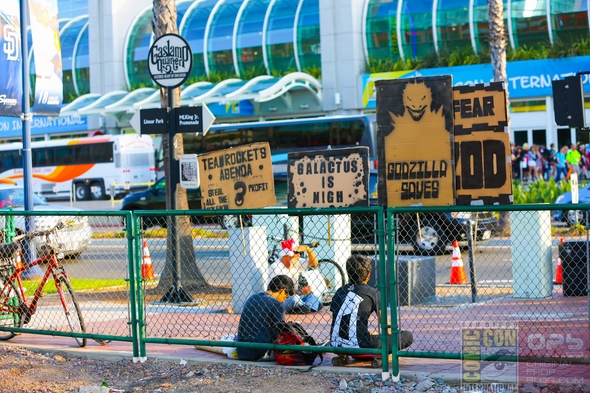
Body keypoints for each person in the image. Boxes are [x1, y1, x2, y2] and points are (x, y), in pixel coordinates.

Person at [330, 254, 413, 351]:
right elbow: (385, 324)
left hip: (335, 343)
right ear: (368, 274)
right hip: (362, 344)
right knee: (407, 336)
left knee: (366, 334)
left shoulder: (339, 291)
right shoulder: (373, 292)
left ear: (348, 272)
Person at [236, 275, 294, 361]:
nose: (284, 301)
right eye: (285, 297)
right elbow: (280, 335)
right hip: (261, 351)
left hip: (242, 350)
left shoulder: (252, 298)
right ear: (282, 291)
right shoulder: (276, 304)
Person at [268, 238, 322, 314]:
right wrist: (300, 291)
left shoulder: (295, 261)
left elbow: (314, 264)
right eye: (296, 252)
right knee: (294, 298)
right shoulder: (276, 267)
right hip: (281, 300)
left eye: (300, 252)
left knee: (316, 294)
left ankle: (303, 307)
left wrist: (308, 249)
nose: (299, 255)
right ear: (287, 254)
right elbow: (278, 293)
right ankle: (310, 306)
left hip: (296, 295)